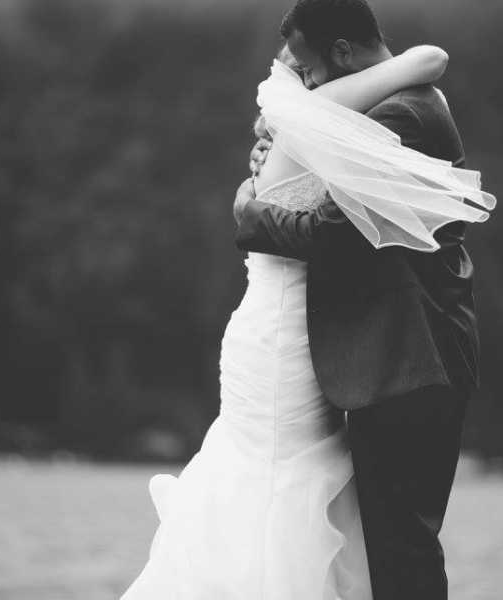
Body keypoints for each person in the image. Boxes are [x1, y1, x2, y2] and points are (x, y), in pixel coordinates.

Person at [119, 36, 466, 600]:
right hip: (283, 341)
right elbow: (427, 61)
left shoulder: (305, 139)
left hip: (292, 338)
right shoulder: (309, 130)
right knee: (274, 486)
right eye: (305, 73)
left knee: (278, 485)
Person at [233, 1, 495, 598]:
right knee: (390, 542)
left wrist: (250, 212)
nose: (311, 81)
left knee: (401, 544)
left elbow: (331, 231)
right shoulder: (393, 102)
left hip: (413, 358)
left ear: (344, 52)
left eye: (310, 66)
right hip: (399, 357)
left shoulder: (401, 114)